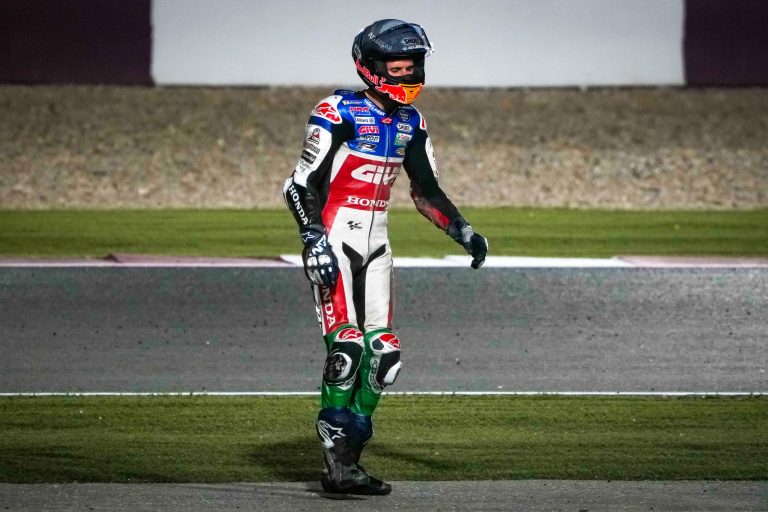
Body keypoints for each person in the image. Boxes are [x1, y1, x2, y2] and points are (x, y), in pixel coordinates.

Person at [282, 19, 488, 495]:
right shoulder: (337, 111)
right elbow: (299, 184)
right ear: (371, 67)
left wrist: (463, 230)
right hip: (334, 240)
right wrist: (313, 239)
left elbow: (426, 191)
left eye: (413, 65)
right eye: (398, 67)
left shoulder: (412, 123)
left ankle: (346, 459)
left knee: (384, 354)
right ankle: (337, 451)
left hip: (378, 246)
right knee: (348, 347)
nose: (408, 74)